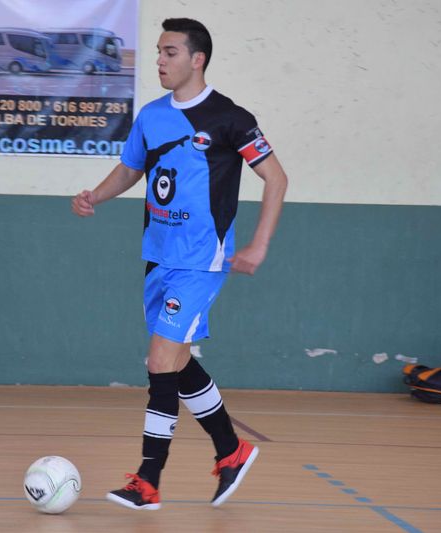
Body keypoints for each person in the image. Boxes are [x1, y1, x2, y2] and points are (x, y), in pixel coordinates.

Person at [71, 17, 288, 510]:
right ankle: (231, 451)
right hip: (157, 256)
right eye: (158, 52)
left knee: (159, 362)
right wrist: (95, 196)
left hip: (200, 261)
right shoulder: (151, 116)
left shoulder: (231, 118)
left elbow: (276, 178)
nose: (160, 61)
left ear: (197, 59)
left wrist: (258, 245)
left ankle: (148, 481)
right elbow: (130, 168)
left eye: (170, 52)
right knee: (178, 362)